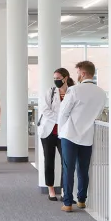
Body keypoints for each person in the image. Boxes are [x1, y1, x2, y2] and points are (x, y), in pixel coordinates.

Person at [58, 61, 107, 213]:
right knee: (83, 169)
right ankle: (81, 200)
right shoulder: (101, 93)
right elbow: (98, 113)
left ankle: (67, 203)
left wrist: (61, 131)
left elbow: (63, 113)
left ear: (83, 73)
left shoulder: (74, 90)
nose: (77, 75)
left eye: (78, 72)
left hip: (70, 135)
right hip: (87, 136)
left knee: (68, 169)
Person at [37, 68, 74, 201]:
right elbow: (45, 110)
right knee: (49, 160)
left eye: (58, 78)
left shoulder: (72, 92)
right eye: (54, 78)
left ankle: (65, 190)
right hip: (48, 132)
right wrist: (60, 118)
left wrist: (62, 119)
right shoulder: (51, 92)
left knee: (66, 161)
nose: (56, 81)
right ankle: (51, 189)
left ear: (65, 78)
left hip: (64, 132)